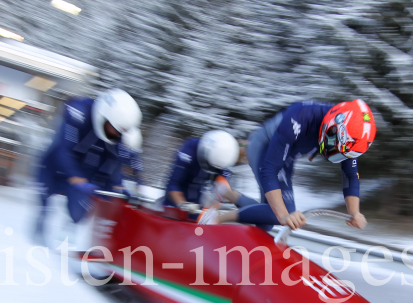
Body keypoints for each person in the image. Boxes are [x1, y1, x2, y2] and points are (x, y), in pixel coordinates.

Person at [198, 100, 376, 230]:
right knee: (279, 214)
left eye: (341, 153)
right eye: (333, 146)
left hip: (287, 156)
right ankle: (216, 217)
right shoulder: (300, 117)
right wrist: (283, 215)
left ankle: (224, 191)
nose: (333, 153)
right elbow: (270, 171)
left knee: (267, 221)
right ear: (332, 123)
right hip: (265, 146)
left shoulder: (350, 140)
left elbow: (350, 175)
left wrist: (355, 212)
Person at [33, 88, 143, 245]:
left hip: (84, 167)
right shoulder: (79, 112)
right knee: (45, 194)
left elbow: (114, 161)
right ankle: (40, 225)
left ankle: (68, 233)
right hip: (56, 163)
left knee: (80, 208)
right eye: (115, 129)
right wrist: (76, 178)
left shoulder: (115, 134)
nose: (116, 134)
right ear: (103, 117)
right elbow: (63, 149)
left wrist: (118, 187)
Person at [164, 130, 255, 219]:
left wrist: (216, 202)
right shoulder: (188, 151)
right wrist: (183, 204)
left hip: (197, 196)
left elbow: (223, 185)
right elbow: (173, 184)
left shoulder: (224, 159)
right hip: (177, 196)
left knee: (198, 221)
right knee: (175, 215)